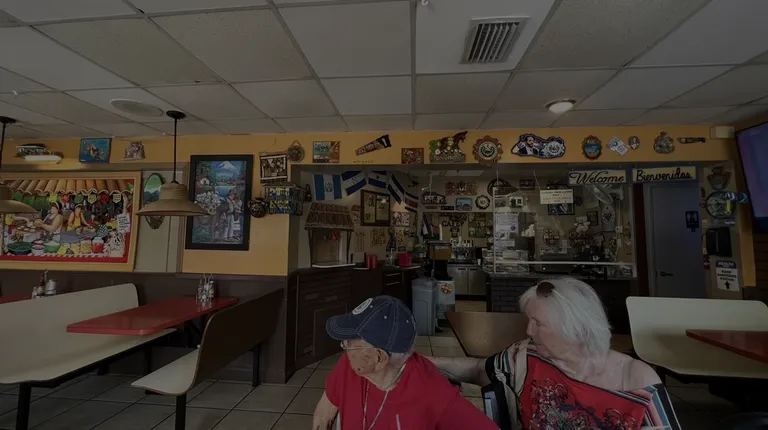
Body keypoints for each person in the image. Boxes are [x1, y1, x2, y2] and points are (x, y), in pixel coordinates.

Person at [428, 278, 680, 430]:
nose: (529, 331)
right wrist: (419, 360)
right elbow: (476, 369)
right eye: (529, 321)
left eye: (539, 323)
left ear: (577, 329)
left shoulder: (637, 382)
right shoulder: (527, 357)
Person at [313, 296, 499, 430]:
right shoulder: (348, 366)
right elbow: (323, 414)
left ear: (379, 358)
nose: (344, 346)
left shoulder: (435, 395)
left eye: (348, 343)